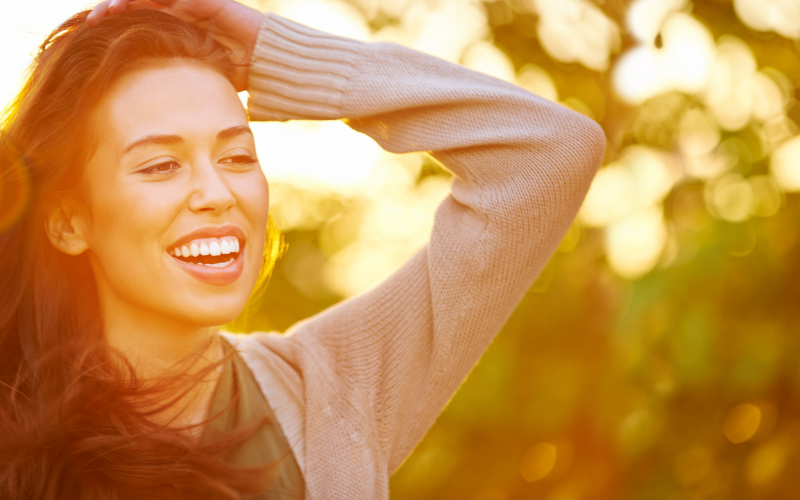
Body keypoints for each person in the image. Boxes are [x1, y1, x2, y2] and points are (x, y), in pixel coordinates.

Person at [0, 0, 606, 498]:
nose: (217, 192)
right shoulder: (16, 432)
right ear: (68, 223)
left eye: (237, 155)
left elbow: (552, 149)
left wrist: (271, 54)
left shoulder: (332, 391)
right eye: (161, 165)